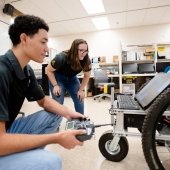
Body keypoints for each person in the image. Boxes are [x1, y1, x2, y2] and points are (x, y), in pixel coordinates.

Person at [0, 15, 87, 170]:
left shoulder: (25, 70)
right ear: (24, 39)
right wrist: (57, 138)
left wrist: (69, 113)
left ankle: (24, 157)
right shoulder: (1, 71)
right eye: (43, 42)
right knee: (50, 161)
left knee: (55, 113)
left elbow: (43, 101)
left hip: (7, 128)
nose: (47, 49)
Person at [46, 39, 92, 114]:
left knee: (79, 98)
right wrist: (55, 85)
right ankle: (55, 124)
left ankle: (80, 121)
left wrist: (81, 90)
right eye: (81, 50)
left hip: (72, 78)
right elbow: (48, 70)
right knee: (58, 102)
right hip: (58, 78)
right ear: (74, 50)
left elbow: (87, 76)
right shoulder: (61, 57)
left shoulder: (86, 60)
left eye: (86, 51)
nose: (84, 53)